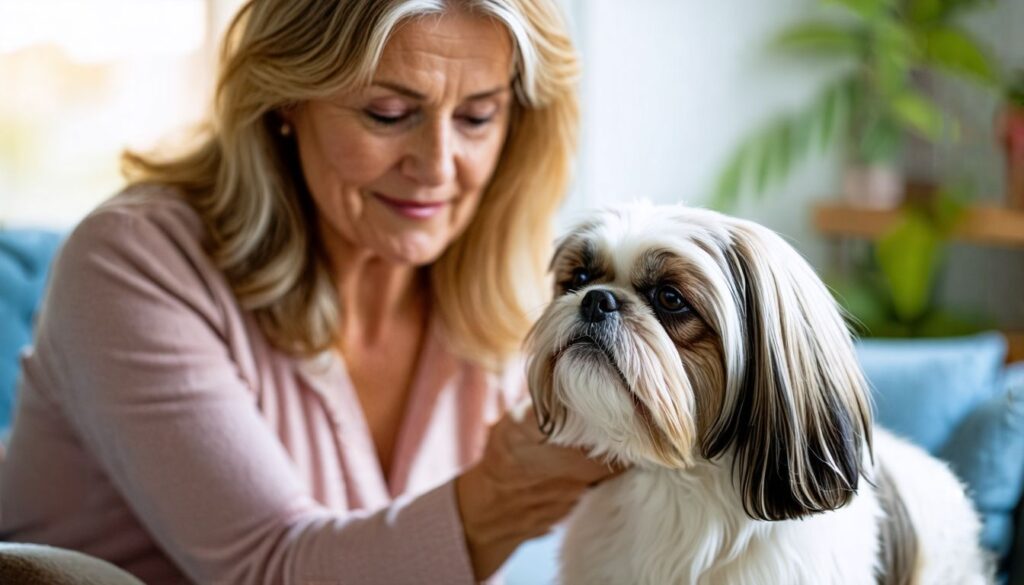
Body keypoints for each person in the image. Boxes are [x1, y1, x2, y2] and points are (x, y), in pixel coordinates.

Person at [0, 1, 619, 583]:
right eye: (386, 113)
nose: (437, 166)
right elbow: (270, 569)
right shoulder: (131, 262)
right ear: (285, 100)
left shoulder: (514, 282)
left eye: (478, 117)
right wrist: (500, 495)